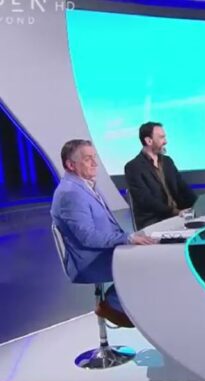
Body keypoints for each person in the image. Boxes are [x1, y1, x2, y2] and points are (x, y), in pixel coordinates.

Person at [51, 139, 155, 328]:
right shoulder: (70, 193)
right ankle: (113, 305)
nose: (95, 163)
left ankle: (135, 306)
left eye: (94, 157)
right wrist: (127, 238)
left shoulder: (85, 185)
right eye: (87, 159)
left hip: (104, 250)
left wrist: (129, 239)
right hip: (91, 260)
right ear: (71, 165)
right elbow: (87, 237)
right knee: (147, 261)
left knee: (150, 251)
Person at [124, 122, 197, 229]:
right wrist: (176, 212)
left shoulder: (168, 161)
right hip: (154, 220)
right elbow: (146, 201)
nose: (166, 141)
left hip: (178, 216)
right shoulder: (133, 167)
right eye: (161, 137)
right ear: (149, 141)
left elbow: (183, 187)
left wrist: (198, 205)